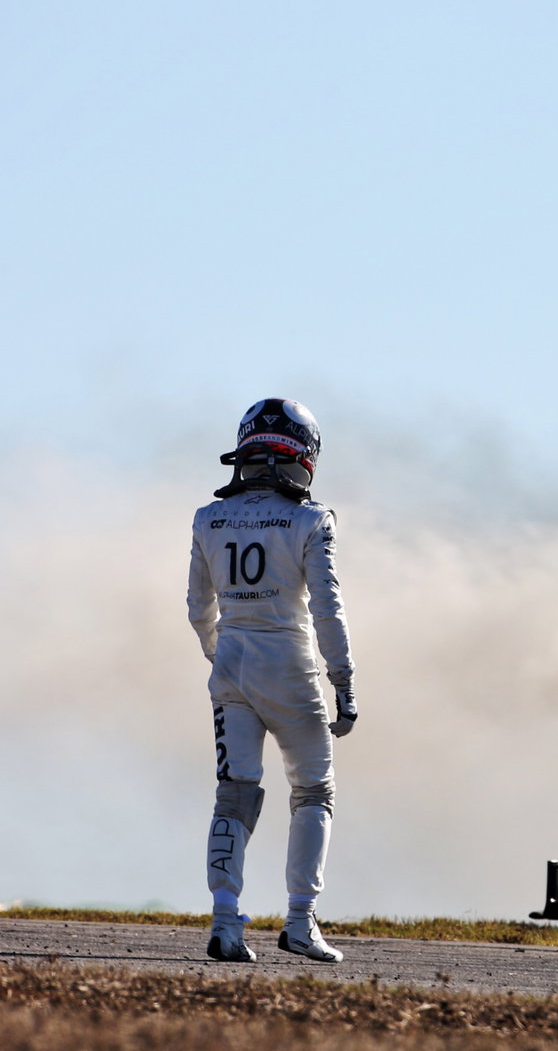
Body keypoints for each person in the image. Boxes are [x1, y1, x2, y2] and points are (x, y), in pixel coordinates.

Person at [187, 398, 358, 963]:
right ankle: (301, 921)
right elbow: (328, 612)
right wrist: (344, 680)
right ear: (302, 455)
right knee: (313, 791)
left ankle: (224, 922)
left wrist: (221, 658)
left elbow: (197, 609)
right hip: (290, 664)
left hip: (231, 661)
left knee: (234, 793)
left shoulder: (208, 518)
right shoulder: (312, 519)